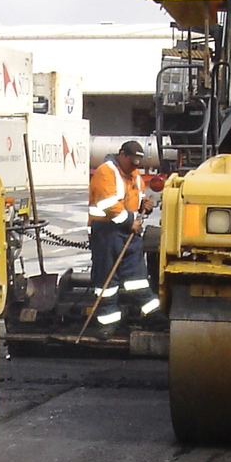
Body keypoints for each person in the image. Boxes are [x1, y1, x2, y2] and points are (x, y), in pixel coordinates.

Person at [86, 140, 159, 330]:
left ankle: (152, 314)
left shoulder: (134, 175)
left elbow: (138, 198)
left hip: (129, 232)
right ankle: (107, 322)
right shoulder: (106, 172)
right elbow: (107, 204)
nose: (135, 166)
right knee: (107, 280)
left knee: (137, 277)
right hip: (106, 233)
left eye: (138, 163)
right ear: (122, 154)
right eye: (132, 161)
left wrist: (145, 206)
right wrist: (129, 222)